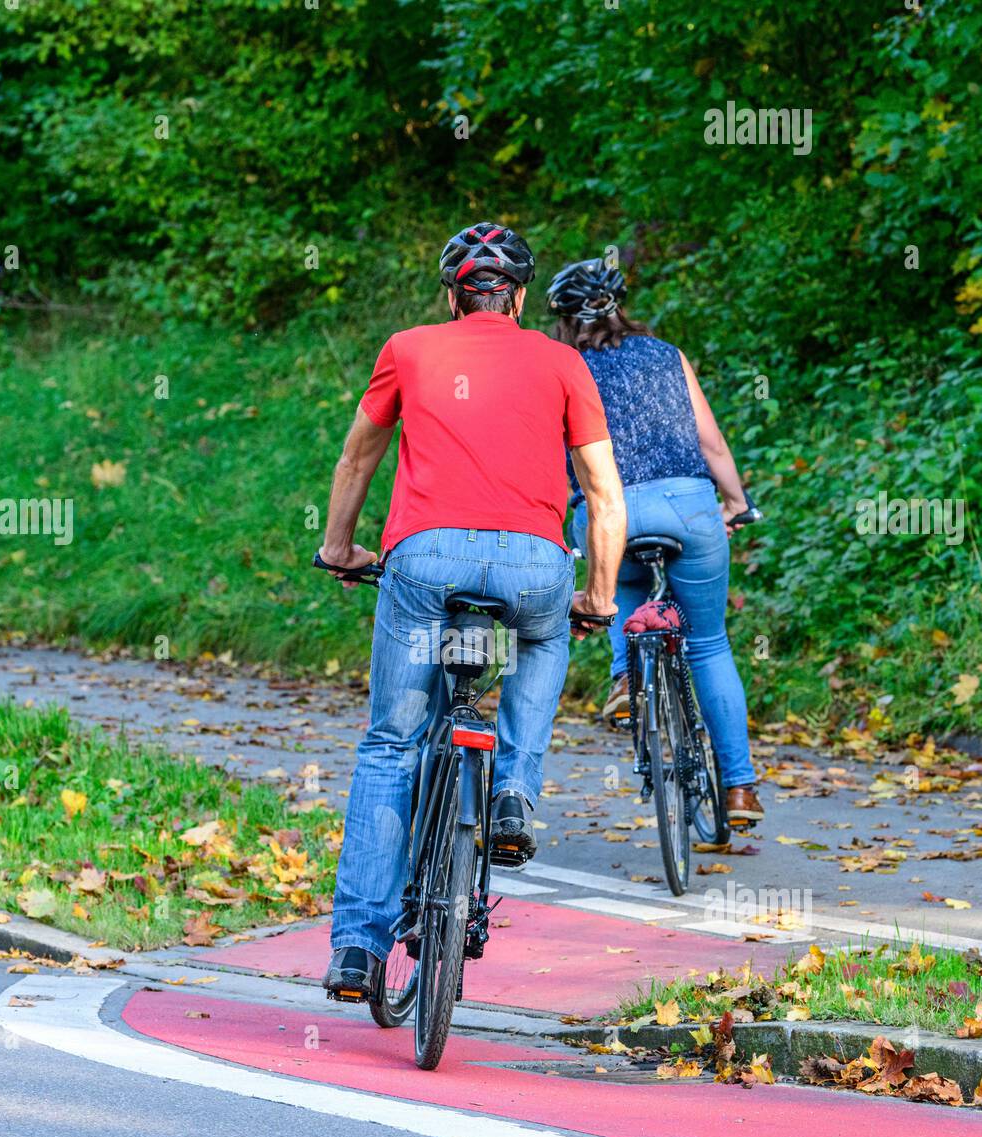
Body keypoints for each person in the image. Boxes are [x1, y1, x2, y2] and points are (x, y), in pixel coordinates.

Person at [318, 224, 626, 999]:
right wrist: (597, 592)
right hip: (532, 564)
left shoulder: (410, 348)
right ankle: (515, 787)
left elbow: (360, 454)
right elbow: (601, 491)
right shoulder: (561, 361)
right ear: (520, 296)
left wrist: (340, 548)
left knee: (391, 743)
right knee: (544, 637)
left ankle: (357, 948)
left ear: (449, 294)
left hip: (422, 560)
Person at [547, 257, 763, 825]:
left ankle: (624, 679)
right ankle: (739, 790)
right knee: (710, 643)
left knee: (617, 586)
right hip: (687, 507)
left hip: (606, 510)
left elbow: (554, 459)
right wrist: (737, 503)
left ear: (565, 320)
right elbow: (711, 444)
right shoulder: (668, 356)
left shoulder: (562, 369)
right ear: (620, 305)